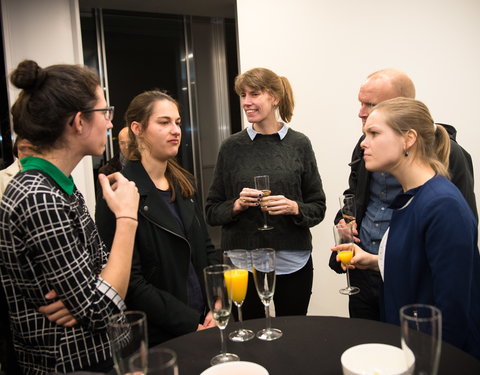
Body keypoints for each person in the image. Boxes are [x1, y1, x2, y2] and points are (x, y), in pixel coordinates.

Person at [0, 59, 139, 374]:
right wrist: (127, 219)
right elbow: (101, 308)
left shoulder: (59, 186)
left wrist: (94, 291)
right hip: (72, 364)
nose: (109, 124)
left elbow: (102, 272)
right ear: (78, 121)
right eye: (105, 113)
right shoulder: (39, 197)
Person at [332, 97, 480, 359]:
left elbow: (454, 311)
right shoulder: (412, 197)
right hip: (409, 348)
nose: (364, 143)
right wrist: (376, 260)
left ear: (408, 139)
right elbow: (422, 269)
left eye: (374, 133)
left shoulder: (442, 205)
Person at [95, 90, 219, 346]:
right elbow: (131, 283)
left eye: (177, 122)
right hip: (161, 336)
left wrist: (218, 301)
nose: (175, 130)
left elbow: (206, 250)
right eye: (164, 122)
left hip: (207, 320)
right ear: (138, 129)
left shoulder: (185, 185)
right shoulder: (120, 192)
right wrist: (190, 324)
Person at [205, 67, 326, 319]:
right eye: (243, 95)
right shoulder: (231, 147)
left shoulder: (299, 144)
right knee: (251, 338)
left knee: (293, 335)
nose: (246, 102)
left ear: (275, 98)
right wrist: (236, 205)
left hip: (292, 260)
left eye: (254, 94)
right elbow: (211, 211)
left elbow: (318, 207)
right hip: (243, 264)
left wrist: (294, 207)